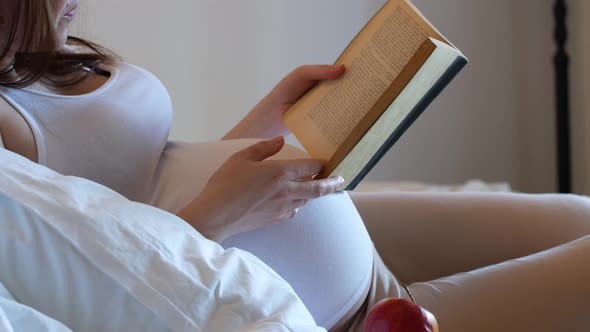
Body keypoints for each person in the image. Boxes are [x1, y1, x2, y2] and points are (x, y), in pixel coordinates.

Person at [1, 1, 589, 331]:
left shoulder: (37, 53)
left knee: (579, 215)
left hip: (324, 220)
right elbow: (103, 280)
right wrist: (221, 214)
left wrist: (272, 116)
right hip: (360, 314)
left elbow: (145, 180)